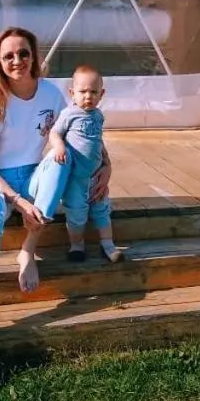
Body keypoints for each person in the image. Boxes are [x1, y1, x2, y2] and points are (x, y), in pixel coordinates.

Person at [0, 27, 111, 375]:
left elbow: (81, 126)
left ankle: (28, 250)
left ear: (34, 56)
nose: (17, 60)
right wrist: (17, 201)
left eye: (23, 53)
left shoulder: (49, 93)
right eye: (8, 56)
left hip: (32, 175)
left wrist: (106, 164)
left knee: (62, 159)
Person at [31, 65, 123, 264]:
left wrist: (106, 163)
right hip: (75, 179)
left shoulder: (98, 115)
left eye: (94, 92)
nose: (88, 96)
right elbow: (54, 132)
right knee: (76, 213)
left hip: (94, 177)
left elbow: (97, 141)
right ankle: (77, 245)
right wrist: (59, 147)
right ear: (72, 93)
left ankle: (108, 245)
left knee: (101, 209)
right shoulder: (69, 114)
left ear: (101, 94)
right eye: (83, 92)